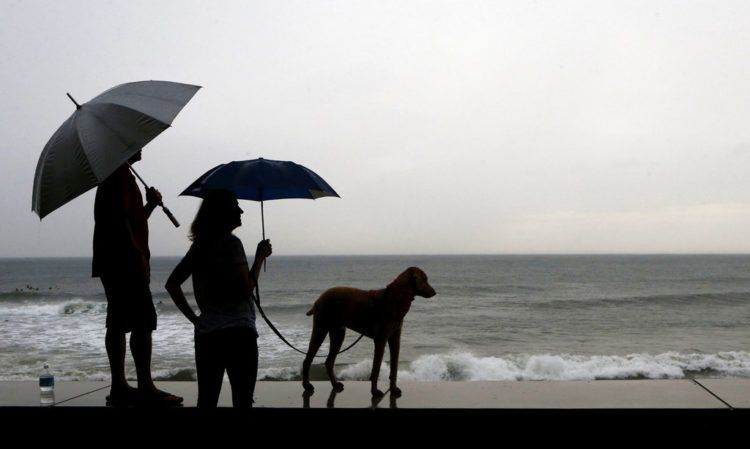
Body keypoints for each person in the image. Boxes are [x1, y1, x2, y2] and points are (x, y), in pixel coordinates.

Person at [166, 189, 272, 408]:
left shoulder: (200, 246)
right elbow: (245, 289)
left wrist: (195, 319)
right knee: (243, 401)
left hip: (207, 334)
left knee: (206, 400)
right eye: (235, 205)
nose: (241, 210)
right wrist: (260, 257)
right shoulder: (232, 244)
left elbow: (172, 284)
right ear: (223, 212)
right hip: (239, 334)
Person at [92, 150, 182, 407]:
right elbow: (120, 221)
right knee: (143, 320)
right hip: (124, 261)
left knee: (119, 320)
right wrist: (136, 255)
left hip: (115, 260)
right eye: (137, 142)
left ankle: (121, 386)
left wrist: (150, 205)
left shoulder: (120, 174)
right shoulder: (118, 174)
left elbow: (130, 219)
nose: (142, 146)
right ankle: (144, 386)